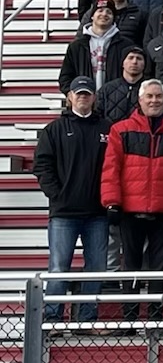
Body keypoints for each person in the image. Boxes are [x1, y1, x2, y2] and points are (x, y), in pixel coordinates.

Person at [101, 79, 163, 323]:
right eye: (149, 97)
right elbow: (111, 169)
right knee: (130, 265)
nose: (154, 101)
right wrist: (112, 202)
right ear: (140, 100)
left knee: (159, 268)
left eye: (158, 97)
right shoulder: (120, 130)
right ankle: (129, 319)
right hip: (130, 211)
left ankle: (155, 319)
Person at [34, 78, 110, 326]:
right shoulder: (54, 129)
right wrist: (57, 194)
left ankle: (87, 321)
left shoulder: (107, 129)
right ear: (69, 97)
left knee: (96, 268)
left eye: (87, 94)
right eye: (79, 94)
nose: (83, 98)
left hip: (97, 213)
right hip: (63, 213)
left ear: (94, 97)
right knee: (58, 268)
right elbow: (42, 166)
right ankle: (53, 319)